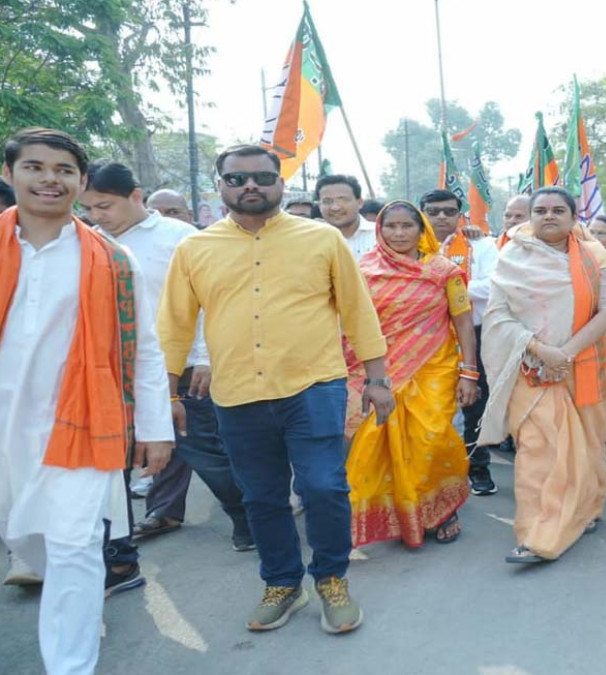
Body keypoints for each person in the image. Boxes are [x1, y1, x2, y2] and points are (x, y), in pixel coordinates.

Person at [159, 144, 393, 634]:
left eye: (263, 177)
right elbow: (175, 326)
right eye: (237, 178)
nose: (250, 185)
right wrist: (169, 395)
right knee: (262, 496)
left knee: (323, 486)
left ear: (281, 184)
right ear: (219, 186)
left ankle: (331, 579)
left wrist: (376, 379)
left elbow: (358, 311)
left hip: (313, 385)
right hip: (237, 393)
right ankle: (283, 583)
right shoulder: (195, 249)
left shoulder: (321, 238)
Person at [0, 127, 175, 674]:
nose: (49, 179)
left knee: (74, 547)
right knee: (27, 537)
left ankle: (70, 665)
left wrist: (155, 428)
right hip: (6, 426)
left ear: (80, 182)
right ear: (9, 174)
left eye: (64, 170)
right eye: (34, 167)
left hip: (81, 424)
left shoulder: (113, 260)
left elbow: (145, 349)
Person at [78, 161, 253, 552]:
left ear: (135, 196)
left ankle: (248, 518)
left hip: (182, 368)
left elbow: (211, 302)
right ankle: (128, 540)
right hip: (113, 372)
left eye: (104, 206)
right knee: (118, 459)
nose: (96, 216)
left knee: (203, 452)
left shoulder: (180, 238)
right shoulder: (89, 242)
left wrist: (205, 356)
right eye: (87, 208)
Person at [479, 186, 606, 563]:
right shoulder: (512, 255)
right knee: (539, 449)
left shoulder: (594, 253)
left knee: (588, 444)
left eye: (559, 210)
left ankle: (586, 507)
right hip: (531, 367)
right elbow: (498, 315)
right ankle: (540, 534)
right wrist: (542, 351)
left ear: (574, 218)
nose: (549, 216)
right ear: (530, 217)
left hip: (585, 364)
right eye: (540, 210)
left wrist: (565, 354)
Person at [343, 201, 477, 547]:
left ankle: (442, 510)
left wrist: (469, 373)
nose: (399, 233)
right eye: (391, 226)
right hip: (378, 370)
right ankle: (400, 514)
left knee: (432, 437)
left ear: (422, 230)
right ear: (380, 229)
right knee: (378, 443)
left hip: (433, 368)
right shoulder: (363, 270)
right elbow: (351, 322)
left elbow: (463, 322)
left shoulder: (444, 271)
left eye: (407, 226)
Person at [421, 188, 501, 496]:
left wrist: (443, 287)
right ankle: (431, 469)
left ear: (460, 214)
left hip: (474, 334)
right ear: (422, 214)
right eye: (433, 211)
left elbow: (493, 286)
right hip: (426, 337)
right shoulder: (410, 245)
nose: (441, 217)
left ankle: (477, 466)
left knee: (475, 402)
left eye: (449, 211)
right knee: (429, 403)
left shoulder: (480, 245)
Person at [316, 175, 375, 262]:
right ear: (319, 206)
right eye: (327, 201)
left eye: (343, 200)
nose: (335, 208)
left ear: (360, 203)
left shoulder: (381, 236)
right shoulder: (312, 239)